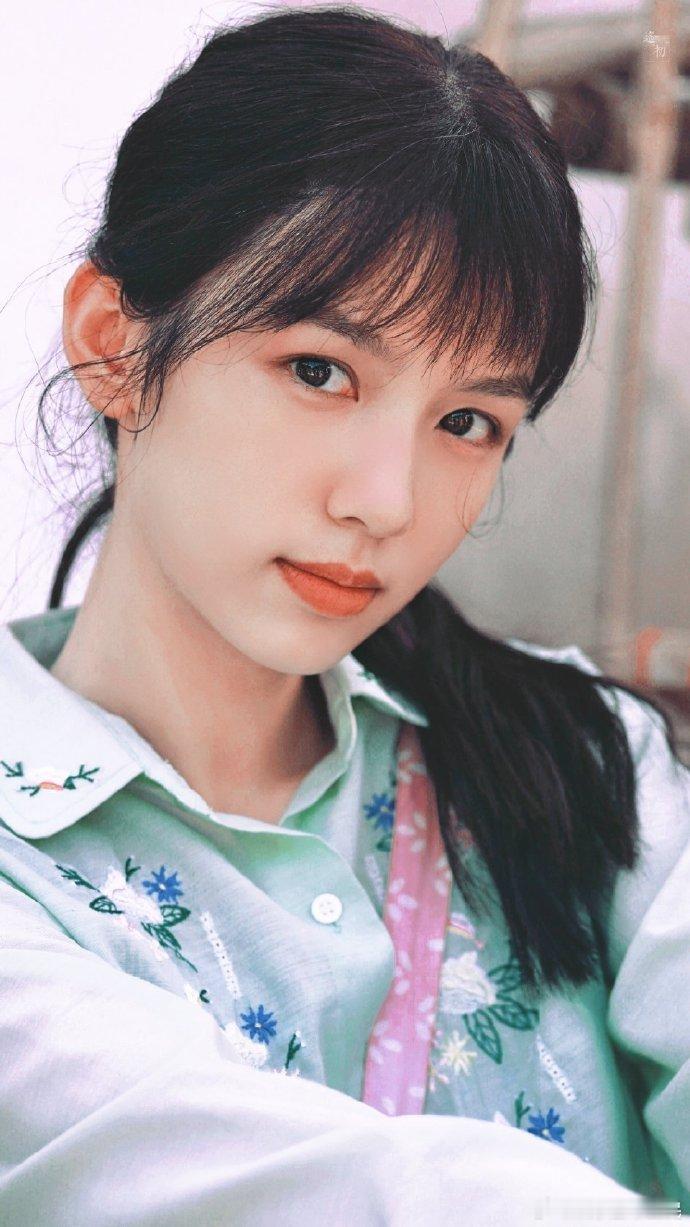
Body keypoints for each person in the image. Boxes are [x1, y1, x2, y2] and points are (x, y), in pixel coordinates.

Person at [0, 5, 687, 1223]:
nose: (388, 501)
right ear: (113, 346)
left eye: (467, 422)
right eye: (320, 371)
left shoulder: (588, 766)